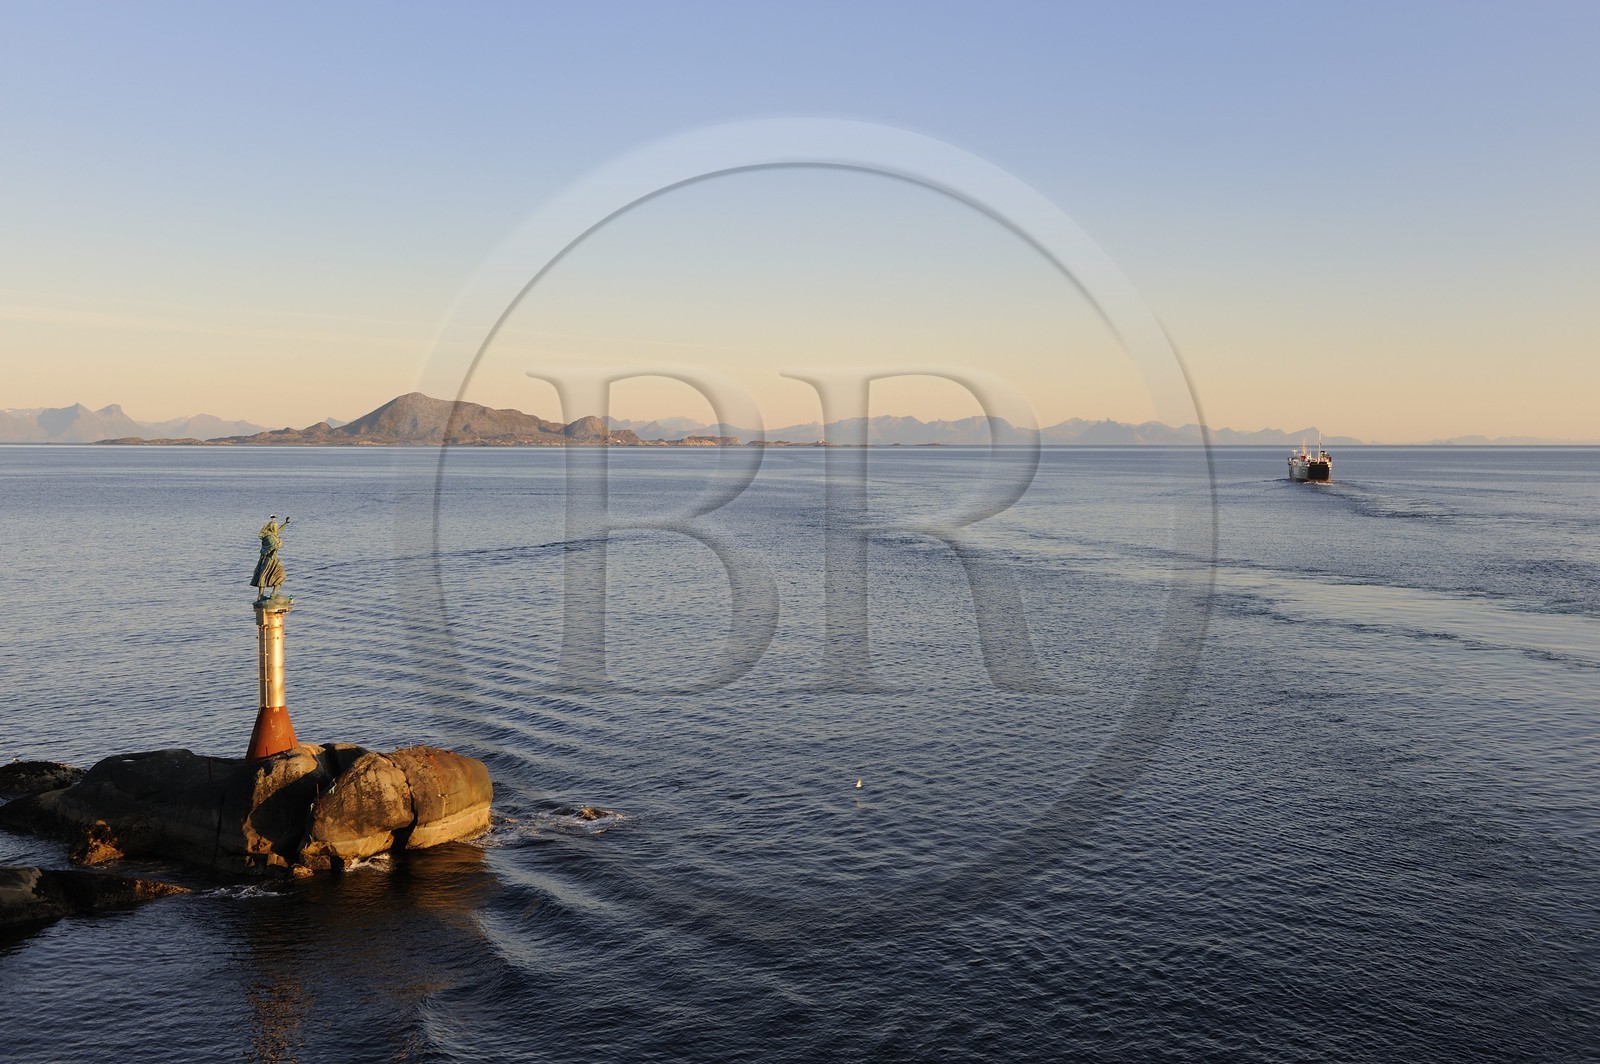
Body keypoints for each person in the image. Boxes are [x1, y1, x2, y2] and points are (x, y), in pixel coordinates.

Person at [251, 515, 292, 597]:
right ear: (272, 528)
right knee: (278, 575)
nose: (277, 528)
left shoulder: (271, 535)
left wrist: (286, 523)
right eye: (275, 527)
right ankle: (264, 595)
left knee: (267, 575)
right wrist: (280, 543)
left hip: (272, 559)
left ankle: (271, 594)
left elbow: (279, 531)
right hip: (270, 560)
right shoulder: (270, 538)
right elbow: (273, 547)